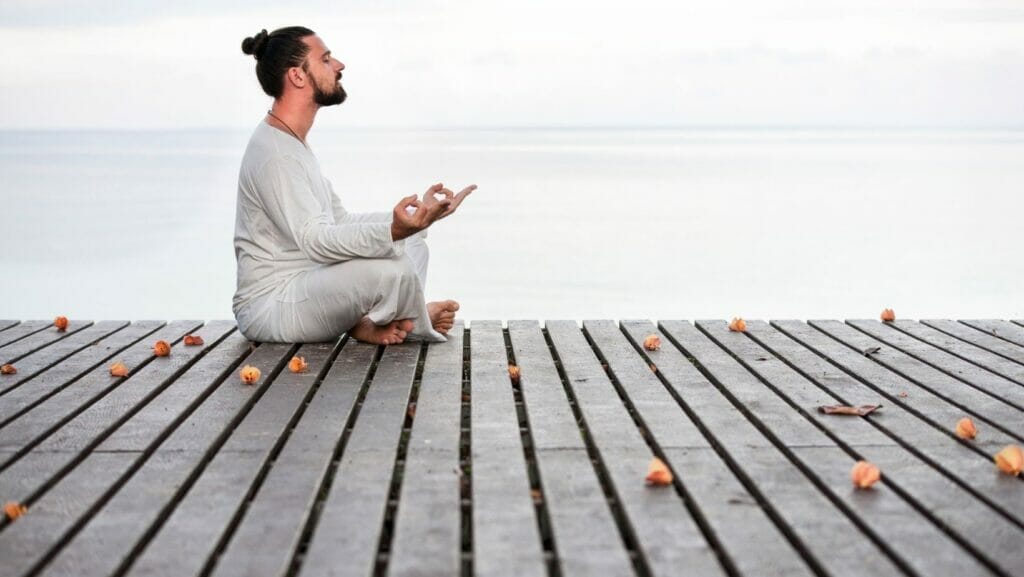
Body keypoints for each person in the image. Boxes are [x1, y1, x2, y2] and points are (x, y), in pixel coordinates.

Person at [232, 26, 475, 345]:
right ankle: (409, 320)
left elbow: (340, 222)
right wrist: (392, 231)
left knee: (414, 242)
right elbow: (315, 240)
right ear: (298, 76)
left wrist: (416, 220)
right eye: (326, 59)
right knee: (392, 270)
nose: (339, 65)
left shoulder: (293, 144)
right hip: (272, 307)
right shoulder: (275, 154)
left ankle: (381, 321)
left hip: (309, 288)